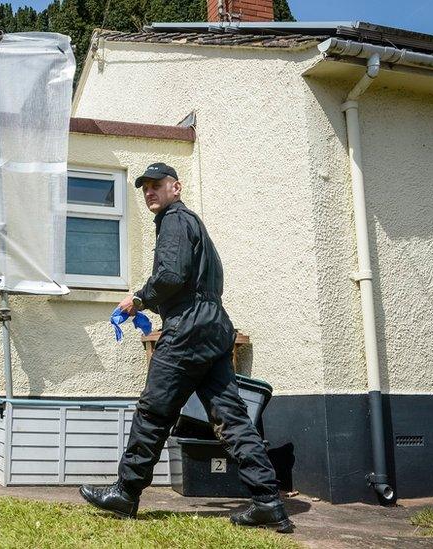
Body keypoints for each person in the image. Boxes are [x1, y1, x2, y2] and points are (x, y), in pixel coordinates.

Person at [78, 163, 293, 533]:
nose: (150, 192)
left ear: (175, 187)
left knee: (154, 410)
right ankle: (268, 501)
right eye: (145, 187)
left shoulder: (174, 221)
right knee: (232, 418)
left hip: (189, 330)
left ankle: (126, 493)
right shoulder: (196, 226)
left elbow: (172, 275)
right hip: (213, 326)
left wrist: (139, 299)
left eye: (157, 185)